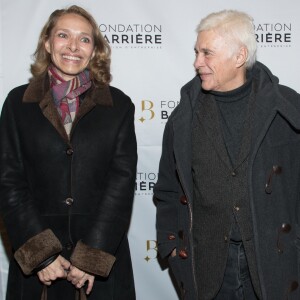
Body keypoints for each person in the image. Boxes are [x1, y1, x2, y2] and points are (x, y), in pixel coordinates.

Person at [154, 9, 300, 300]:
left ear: (239, 56)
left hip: (275, 259)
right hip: (207, 263)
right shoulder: (185, 116)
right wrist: (170, 247)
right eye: (197, 52)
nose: (197, 63)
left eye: (207, 53)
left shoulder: (288, 108)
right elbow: (168, 189)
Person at [0, 5, 137, 300]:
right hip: (38, 271)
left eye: (84, 39)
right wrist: (42, 255)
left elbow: (121, 186)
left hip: (98, 269)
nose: (73, 46)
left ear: (95, 50)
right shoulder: (16, 104)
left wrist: (91, 258)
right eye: (63, 35)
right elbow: (9, 182)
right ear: (48, 43)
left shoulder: (119, 106)